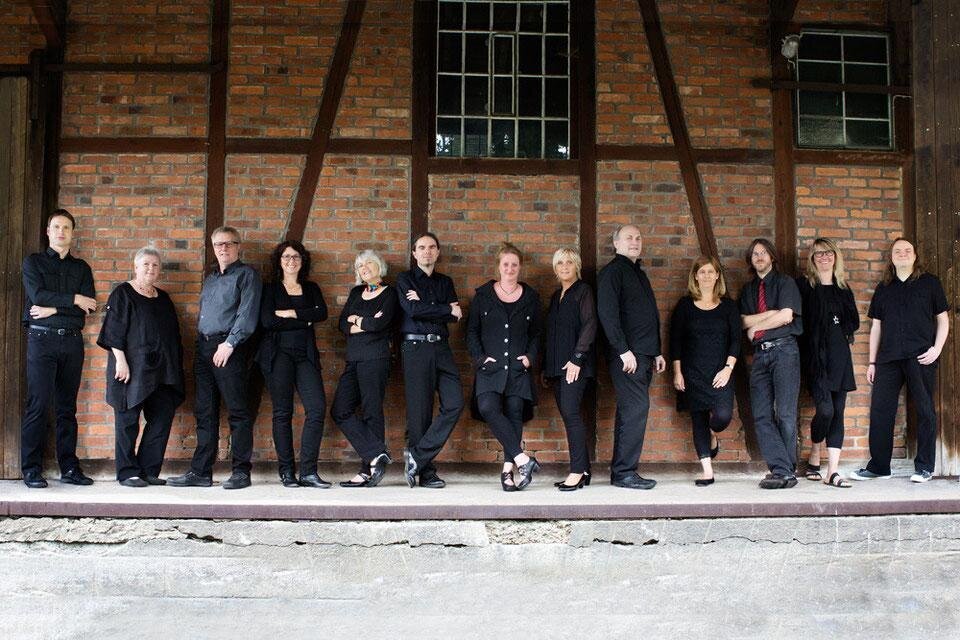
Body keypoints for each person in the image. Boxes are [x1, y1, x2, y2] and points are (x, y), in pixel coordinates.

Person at [168, 226, 262, 490]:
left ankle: (241, 472)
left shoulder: (247, 275)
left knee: (238, 412)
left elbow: (247, 314)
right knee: (205, 412)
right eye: (219, 244)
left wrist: (229, 344)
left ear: (238, 246)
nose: (223, 248)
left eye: (229, 243)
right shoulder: (210, 279)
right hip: (204, 349)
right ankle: (201, 472)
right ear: (213, 248)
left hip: (229, 349)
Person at [851, 238, 949, 483]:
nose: (902, 254)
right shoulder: (884, 288)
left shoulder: (930, 283)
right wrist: (872, 362)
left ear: (915, 256)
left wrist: (937, 349)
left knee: (925, 410)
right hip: (888, 358)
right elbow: (876, 327)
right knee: (881, 411)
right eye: (897, 251)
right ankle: (879, 467)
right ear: (892, 258)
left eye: (907, 250)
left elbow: (943, 320)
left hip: (921, 356)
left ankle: (924, 467)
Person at [20, 209, 97, 488]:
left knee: (67, 408)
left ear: (72, 233)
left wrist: (53, 308)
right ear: (48, 232)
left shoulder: (82, 268)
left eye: (66, 227)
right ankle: (31, 470)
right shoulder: (33, 263)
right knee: (38, 404)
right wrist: (74, 299)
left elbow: (87, 309)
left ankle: (70, 468)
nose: (61, 232)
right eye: (56, 227)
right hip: (42, 340)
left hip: (72, 341)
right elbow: (37, 295)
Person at [97, 247, 185, 487]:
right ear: (136, 267)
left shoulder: (163, 298)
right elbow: (113, 331)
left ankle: (148, 470)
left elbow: (173, 335)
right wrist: (120, 361)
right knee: (127, 420)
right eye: (146, 264)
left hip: (163, 371)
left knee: (161, 418)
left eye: (155, 265)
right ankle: (127, 472)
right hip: (131, 368)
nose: (150, 269)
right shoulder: (123, 293)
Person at [466, 242, 542, 491]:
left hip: (518, 370)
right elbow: (472, 332)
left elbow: (536, 333)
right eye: (506, 264)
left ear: (520, 267)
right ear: (498, 266)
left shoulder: (531, 298)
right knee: (488, 407)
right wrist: (480, 359)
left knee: (514, 415)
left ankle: (508, 472)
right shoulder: (483, 296)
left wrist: (530, 356)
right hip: (490, 368)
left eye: (514, 265)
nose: (510, 269)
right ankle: (523, 460)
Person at [255, 241, 330, 488]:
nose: (291, 261)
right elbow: (268, 321)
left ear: (302, 260)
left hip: (306, 355)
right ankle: (287, 471)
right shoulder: (270, 289)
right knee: (282, 412)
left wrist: (290, 313)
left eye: (296, 256)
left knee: (317, 408)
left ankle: (308, 472)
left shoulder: (311, 288)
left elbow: (321, 314)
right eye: (286, 257)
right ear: (279, 261)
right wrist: (305, 319)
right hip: (278, 355)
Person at [597, 224, 665, 490]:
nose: (634, 241)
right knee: (636, 409)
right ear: (616, 243)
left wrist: (656, 351)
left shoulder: (638, 274)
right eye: (628, 238)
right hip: (628, 356)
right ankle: (624, 472)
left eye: (638, 237)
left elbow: (648, 315)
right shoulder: (612, 272)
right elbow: (608, 315)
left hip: (644, 354)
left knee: (631, 411)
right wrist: (623, 350)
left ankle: (622, 471)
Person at [396, 232, 464, 489]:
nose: (427, 251)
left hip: (442, 348)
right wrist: (444, 308)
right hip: (416, 348)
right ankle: (426, 473)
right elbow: (412, 310)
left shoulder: (445, 281)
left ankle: (417, 456)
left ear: (438, 252)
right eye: (422, 247)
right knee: (420, 413)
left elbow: (456, 316)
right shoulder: (404, 279)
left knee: (455, 403)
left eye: (432, 247)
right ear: (414, 253)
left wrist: (427, 306)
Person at [669, 255, 739, 486]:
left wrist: (728, 369)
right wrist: (677, 372)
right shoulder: (684, 306)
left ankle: (713, 434)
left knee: (722, 416)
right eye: (702, 272)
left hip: (720, 371)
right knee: (698, 419)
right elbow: (675, 341)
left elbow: (736, 341)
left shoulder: (728, 306)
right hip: (692, 372)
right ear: (695, 277)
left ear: (717, 275)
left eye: (711, 271)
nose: (706, 276)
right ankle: (707, 471)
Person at [739, 238, 803, 489]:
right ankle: (783, 471)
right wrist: (769, 315)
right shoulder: (748, 290)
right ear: (751, 259)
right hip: (760, 356)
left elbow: (786, 316)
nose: (759, 256)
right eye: (755, 253)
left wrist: (756, 327)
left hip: (785, 351)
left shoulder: (786, 282)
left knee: (785, 414)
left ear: (772, 257)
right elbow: (743, 321)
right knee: (761, 414)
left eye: (764, 252)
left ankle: (784, 471)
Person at [332, 250, 398, 488]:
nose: (365, 268)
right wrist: (366, 322)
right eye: (360, 265)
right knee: (340, 410)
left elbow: (381, 323)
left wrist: (357, 320)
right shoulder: (356, 293)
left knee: (371, 411)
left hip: (376, 358)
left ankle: (368, 470)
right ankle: (376, 454)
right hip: (354, 359)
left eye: (369, 263)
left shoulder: (390, 293)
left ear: (380, 266)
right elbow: (342, 324)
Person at [797, 238, 859, 488]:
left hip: (840, 356)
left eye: (828, 253)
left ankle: (832, 471)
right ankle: (815, 451)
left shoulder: (843, 288)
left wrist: (837, 322)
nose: (824, 257)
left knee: (838, 412)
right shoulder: (805, 286)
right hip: (815, 357)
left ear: (836, 256)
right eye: (819, 253)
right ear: (813, 259)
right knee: (826, 410)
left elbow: (853, 322)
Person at [543, 247, 596, 491]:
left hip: (575, 366)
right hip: (557, 367)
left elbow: (590, 325)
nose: (565, 266)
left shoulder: (583, 291)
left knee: (571, 413)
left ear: (577, 266)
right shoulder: (557, 296)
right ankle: (584, 469)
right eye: (560, 263)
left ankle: (576, 471)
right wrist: (547, 368)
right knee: (568, 415)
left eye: (569, 262)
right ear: (555, 268)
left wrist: (577, 358)